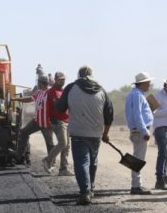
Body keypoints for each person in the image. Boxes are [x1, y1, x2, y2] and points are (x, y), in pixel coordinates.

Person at [55, 66, 113, 205]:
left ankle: (84, 193)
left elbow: (59, 108)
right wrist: (105, 134)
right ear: (92, 75)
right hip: (96, 133)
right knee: (93, 161)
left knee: (81, 162)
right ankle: (91, 188)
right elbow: (109, 115)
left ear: (78, 75)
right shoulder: (102, 90)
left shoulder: (71, 88)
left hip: (78, 132)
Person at [125, 72, 154, 195]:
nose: (149, 85)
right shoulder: (137, 95)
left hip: (137, 130)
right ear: (142, 83)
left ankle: (136, 185)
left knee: (137, 157)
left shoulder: (134, 94)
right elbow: (137, 115)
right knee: (138, 159)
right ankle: (136, 186)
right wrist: (144, 131)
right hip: (140, 130)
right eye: (148, 82)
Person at [14, 75, 54, 164]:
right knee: (24, 132)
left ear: (40, 82)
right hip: (37, 121)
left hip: (46, 123)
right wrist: (16, 99)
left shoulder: (50, 92)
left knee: (49, 143)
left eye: (38, 82)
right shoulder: (39, 92)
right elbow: (29, 99)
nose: (38, 84)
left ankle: (51, 163)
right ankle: (19, 157)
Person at [42, 72, 72, 176]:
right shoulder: (52, 91)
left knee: (67, 146)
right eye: (60, 79)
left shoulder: (63, 91)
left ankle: (63, 169)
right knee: (63, 143)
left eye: (63, 79)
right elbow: (57, 106)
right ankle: (48, 160)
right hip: (58, 121)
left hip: (66, 120)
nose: (62, 81)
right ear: (55, 79)